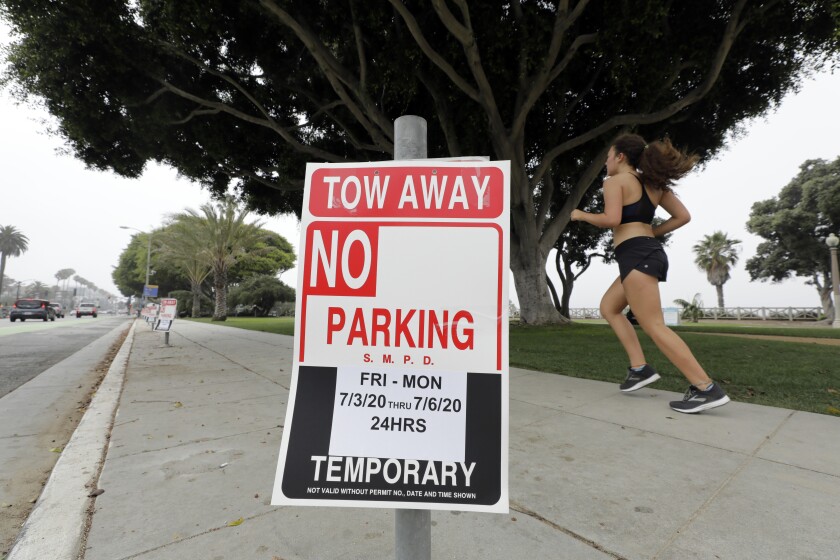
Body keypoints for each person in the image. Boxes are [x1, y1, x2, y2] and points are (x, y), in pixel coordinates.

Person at [570, 133, 730, 413]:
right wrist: (651, 232)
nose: (606, 161)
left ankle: (705, 388)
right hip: (645, 253)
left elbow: (611, 220)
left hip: (636, 255)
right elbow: (683, 216)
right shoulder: (653, 184)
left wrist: (580, 214)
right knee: (609, 307)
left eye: (609, 155)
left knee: (653, 324)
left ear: (620, 156)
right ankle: (639, 368)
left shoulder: (615, 182)